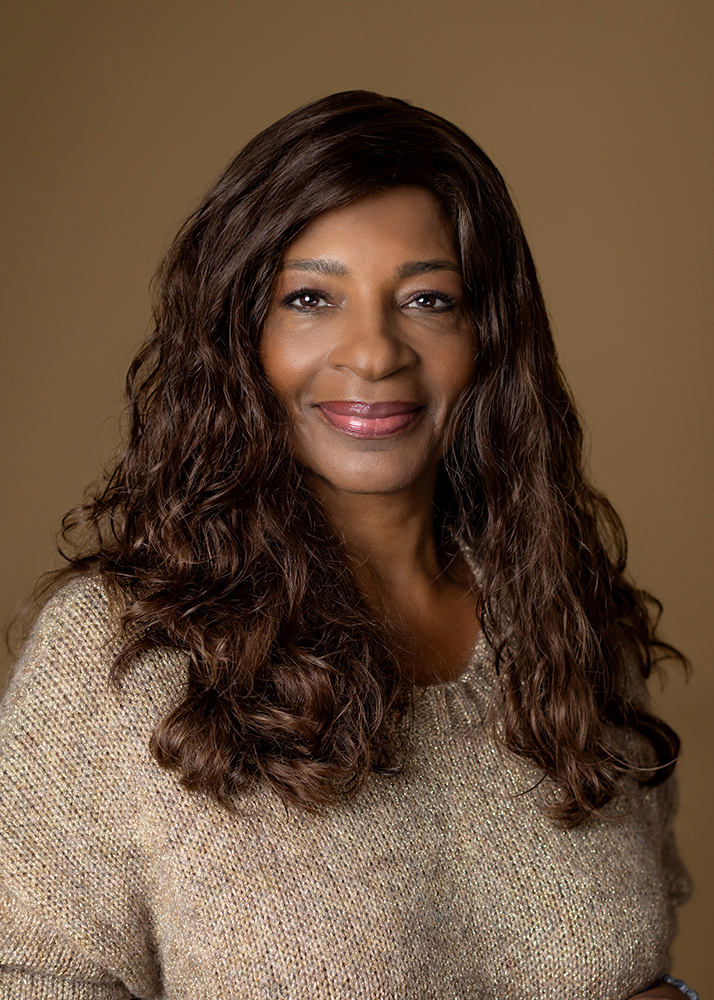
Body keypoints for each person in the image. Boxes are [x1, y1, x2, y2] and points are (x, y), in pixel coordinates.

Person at [0, 91, 696, 1000]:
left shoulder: (567, 622)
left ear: (488, 336)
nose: (373, 353)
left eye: (427, 299)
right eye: (312, 298)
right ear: (241, 335)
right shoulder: (118, 653)